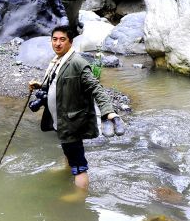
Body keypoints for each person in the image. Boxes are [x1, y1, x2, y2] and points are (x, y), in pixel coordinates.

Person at [29, 26, 125, 190]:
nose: (58, 43)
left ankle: (80, 195)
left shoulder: (77, 62)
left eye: (62, 39)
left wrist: (108, 112)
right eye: (55, 39)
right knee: (68, 147)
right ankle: (66, 168)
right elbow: (56, 82)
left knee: (79, 165)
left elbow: (96, 88)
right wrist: (40, 85)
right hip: (62, 119)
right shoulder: (58, 60)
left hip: (71, 121)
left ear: (70, 42)